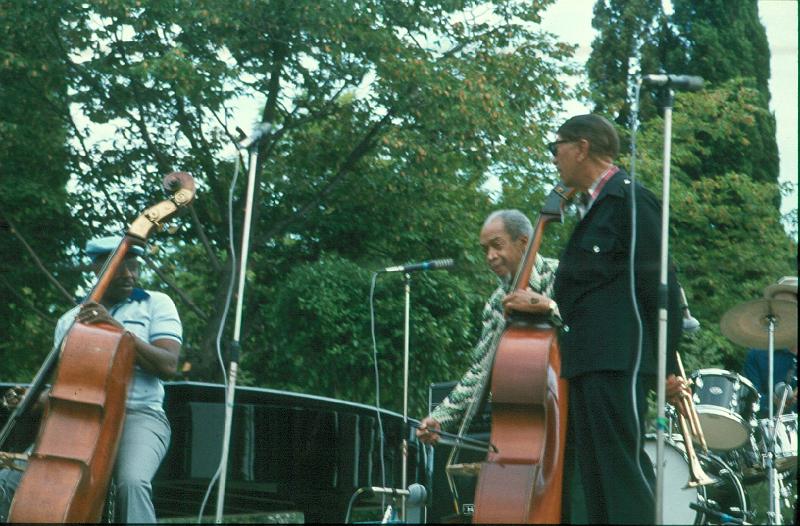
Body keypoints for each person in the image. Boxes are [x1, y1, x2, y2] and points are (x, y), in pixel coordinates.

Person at [547, 114, 684, 524]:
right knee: (596, 481)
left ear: (582, 147)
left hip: (617, 363)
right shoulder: (592, 208)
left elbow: (661, 286)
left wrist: (662, 363)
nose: (554, 159)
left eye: (557, 148)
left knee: (621, 477)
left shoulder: (630, 199)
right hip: (589, 362)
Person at [0, 235, 182, 523]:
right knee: (9, 479)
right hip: (82, 423)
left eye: (134, 266)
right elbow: (71, 390)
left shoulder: (156, 304)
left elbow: (168, 366)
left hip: (140, 416)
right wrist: (31, 399)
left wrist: (118, 331)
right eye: (121, 266)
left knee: (132, 483)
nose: (130, 274)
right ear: (97, 268)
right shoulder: (70, 320)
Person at [416, 209, 560, 441]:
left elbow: (589, 333)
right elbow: (481, 370)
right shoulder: (496, 303)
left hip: (569, 408)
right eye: (485, 250)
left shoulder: (559, 276)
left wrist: (550, 306)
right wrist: (439, 418)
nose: (490, 256)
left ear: (523, 242)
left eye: (497, 245)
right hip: (521, 426)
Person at [742, 276, 798, 418]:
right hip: (772, 435)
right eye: (778, 307)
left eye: (788, 307)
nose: (782, 314)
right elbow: (747, 405)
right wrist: (772, 401)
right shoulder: (757, 354)